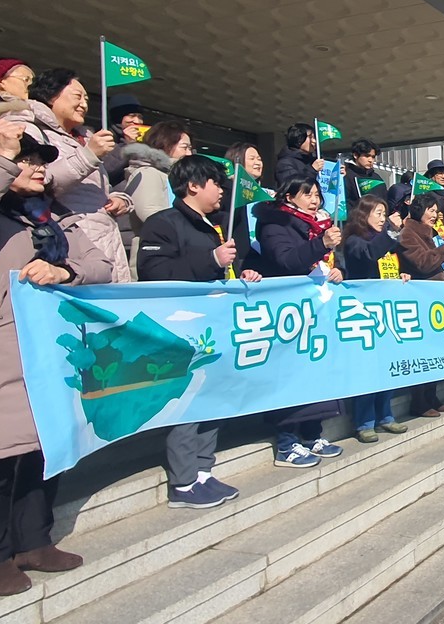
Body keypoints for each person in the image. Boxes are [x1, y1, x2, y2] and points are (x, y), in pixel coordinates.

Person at [0, 115, 114, 596]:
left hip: (48, 350)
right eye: (26, 161)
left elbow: (99, 262)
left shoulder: (51, 217)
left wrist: (65, 273)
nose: (39, 169)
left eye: (41, 161)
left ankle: (34, 540)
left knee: (47, 449)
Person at [137, 155, 261, 508]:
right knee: (187, 404)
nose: (222, 190)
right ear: (193, 185)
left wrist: (243, 274)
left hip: (217, 326)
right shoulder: (163, 224)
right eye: (216, 183)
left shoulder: (217, 225)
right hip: (182, 330)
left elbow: (227, 266)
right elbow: (154, 273)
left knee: (213, 400)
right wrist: (212, 260)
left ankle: (204, 471)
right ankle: (183, 482)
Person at [246, 177, 346, 467]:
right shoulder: (274, 223)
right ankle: (286, 444)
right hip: (287, 312)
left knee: (316, 373)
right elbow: (286, 261)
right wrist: (320, 244)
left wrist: (338, 273)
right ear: (289, 196)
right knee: (290, 374)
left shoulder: (318, 226)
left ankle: (312, 435)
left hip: (315, 311)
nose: (315, 200)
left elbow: (325, 263)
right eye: (307, 194)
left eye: (317, 194)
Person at [3, 69, 134, 282]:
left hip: (106, 237)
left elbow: (96, 188)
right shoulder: (31, 130)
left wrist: (120, 200)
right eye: (77, 96)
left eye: (86, 99)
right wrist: (88, 155)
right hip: (73, 236)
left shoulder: (84, 137)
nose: (84, 104)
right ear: (50, 96)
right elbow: (38, 183)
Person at [339, 193, 411, 442]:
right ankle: (364, 422)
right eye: (378, 214)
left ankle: (386, 416)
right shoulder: (354, 241)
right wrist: (391, 231)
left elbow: (385, 266)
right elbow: (370, 255)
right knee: (366, 370)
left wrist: (400, 277)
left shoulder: (384, 241)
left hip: (383, 314)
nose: (382, 219)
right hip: (362, 314)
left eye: (384, 214)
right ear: (363, 215)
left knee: (386, 367)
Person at [398, 192, 444, 417]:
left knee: (435, 351)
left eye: (437, 211)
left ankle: (431, 395)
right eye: (431, 210)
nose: (435, 215)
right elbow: (423, 263)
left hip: (437, 301)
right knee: (422, 353)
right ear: (418, 210)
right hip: (421, 302)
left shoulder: (431, 234)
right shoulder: (407, 234)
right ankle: (419, 400)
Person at [122, 121, 194, 272]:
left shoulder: (176, 177)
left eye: (190, 148)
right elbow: (151, 214)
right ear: (165, 145)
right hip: (156, 255)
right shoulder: (147, 173)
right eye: (184, 148)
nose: (189, 154)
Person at [102, 93, 147, 187]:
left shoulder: (143, 143)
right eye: (132, 116)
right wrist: (128, 145)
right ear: (119, 118)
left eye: (140, 117)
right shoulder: (104, 138)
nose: (137, 121)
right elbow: (106, 169)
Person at [274, 123, 324, 187]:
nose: (314, 141)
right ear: (299, 139)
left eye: (315, 138)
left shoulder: (314, 160)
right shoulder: (285, 163)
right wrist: (312, 170)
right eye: (310, 137)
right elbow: (291, 185)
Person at [343, 139, 386, 208]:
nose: (370, 160)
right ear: (355, 155)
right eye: (366, 156)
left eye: (373, 157)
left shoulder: (377, 178)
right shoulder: (346, 175)